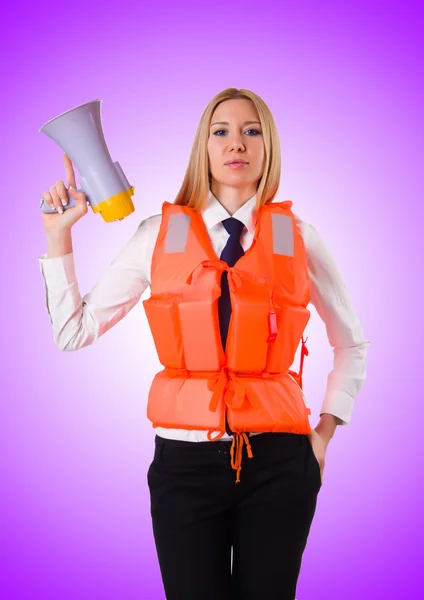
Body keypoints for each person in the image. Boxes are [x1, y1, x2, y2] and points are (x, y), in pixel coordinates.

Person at [38, 87, 371, 600]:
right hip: (184, 468)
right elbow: (72, 331)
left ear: (268, 147)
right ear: (204, 147)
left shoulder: (300, 236)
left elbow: (352, 343)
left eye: (251, 131)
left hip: (281, 464)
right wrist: (58, 235)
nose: (236, 143)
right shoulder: (156, 235)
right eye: (221, 132)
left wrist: (324, 433)